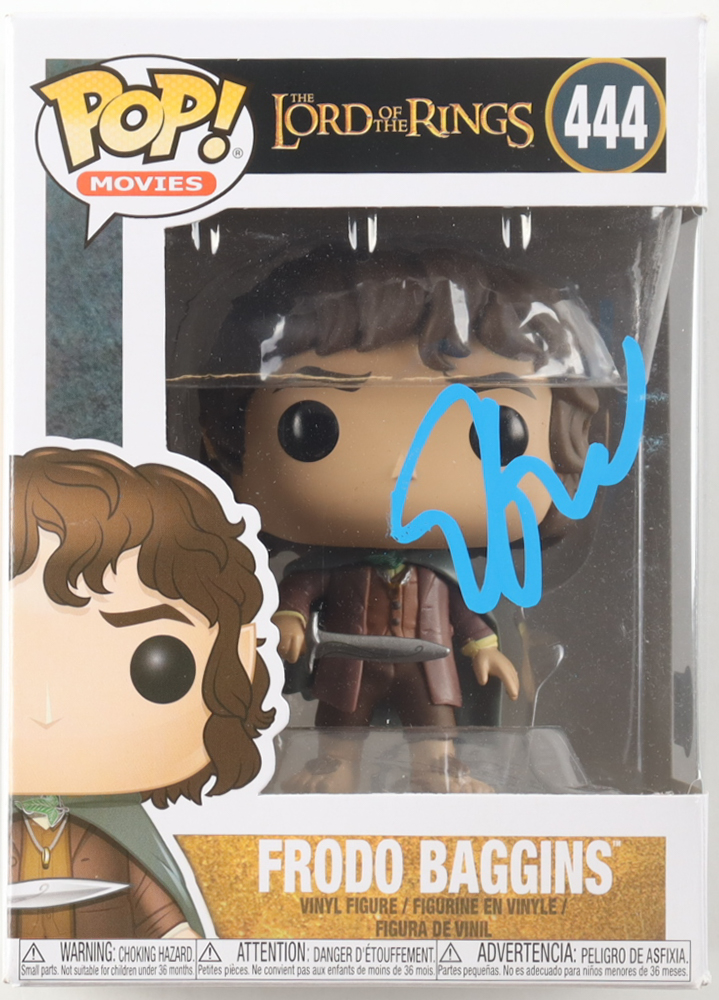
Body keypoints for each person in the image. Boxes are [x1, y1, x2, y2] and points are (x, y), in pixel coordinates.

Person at [199, 244, 607, 792]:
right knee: (340, 725)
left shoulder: (448, 574)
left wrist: (486, 651)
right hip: (348, 667)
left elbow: (468, 614)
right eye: (311, 427)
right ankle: (334, 765)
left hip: (429, 668)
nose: (402, 468)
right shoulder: (327, 568)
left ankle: (439, 769)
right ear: (230, 446)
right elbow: (298, 593)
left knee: (433, 724)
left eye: (494, 432)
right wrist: (288, 622)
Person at [10, 446, 274, 937]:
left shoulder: (123, 834)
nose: (47, 712)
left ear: (237, 655)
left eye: (157, 667)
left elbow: (165, 924)